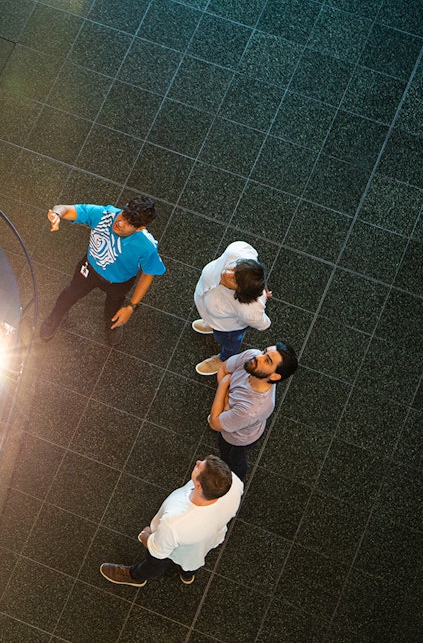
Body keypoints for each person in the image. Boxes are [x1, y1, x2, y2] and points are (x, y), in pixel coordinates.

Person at [40, 196, 165, 346]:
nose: (120, 223)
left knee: (113, 308)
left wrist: (131, 307)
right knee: (71, 293)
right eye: (123, 215)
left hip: (119, 282)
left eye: (129, 223)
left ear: (140, 228)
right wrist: (57, 214)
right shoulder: (103, 214)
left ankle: (111, 326)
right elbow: (66, 209)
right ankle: (56, 315)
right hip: (89, 269)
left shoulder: (147, 246)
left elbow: (148, 273)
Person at [100, 456, 242, 587]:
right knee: (190, 564)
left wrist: (146, 536)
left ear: (199, 486)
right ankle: (187, 575)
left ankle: (135, 576)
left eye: (199, 467)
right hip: (206, 542)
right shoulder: (234, 483)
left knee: (154, 565)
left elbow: (158, 551)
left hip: (173, 548)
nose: (197, 462)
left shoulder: (174, 523)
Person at [208, 343, 298, 480]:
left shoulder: (252, 409)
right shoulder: (252, 356)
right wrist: (226, 406)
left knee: (233, 460)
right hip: (235, 422)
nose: (258, 356)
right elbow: (223, 369)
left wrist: (224, 384)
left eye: (267, 360)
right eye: (264, 351)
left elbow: (214, 423)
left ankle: (236, 481)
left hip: (237, 439)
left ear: (274, 377)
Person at [192, 241, 271, 376]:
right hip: (211, 313)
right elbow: (252, 255)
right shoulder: (236, 252)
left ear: (241, 291)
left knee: (229, 342)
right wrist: (262, 285)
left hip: (226, 328)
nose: (227, 272)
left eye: (234, 279)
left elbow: (262, 323)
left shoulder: (248, 308)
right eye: (235, 268)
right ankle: (210, 323)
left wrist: (261, 296)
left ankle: (224, 358)